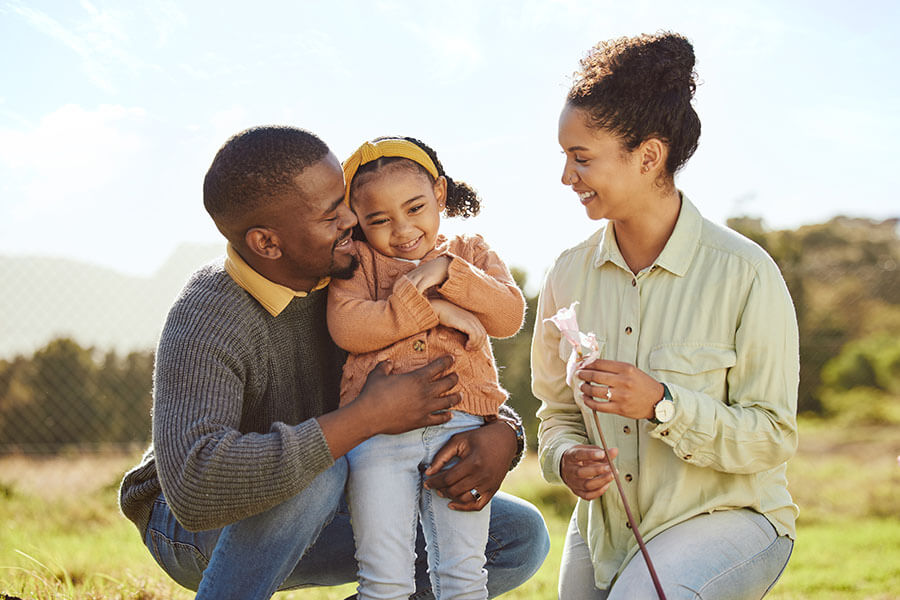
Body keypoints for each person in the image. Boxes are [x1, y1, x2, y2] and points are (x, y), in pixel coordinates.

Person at [118, 125, 549, 600]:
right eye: (331, 215)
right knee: (322, 471)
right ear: (267, 243)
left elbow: (443, 356)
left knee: (517, 535)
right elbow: (196, 489)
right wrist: (366, 418)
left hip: (332, 494)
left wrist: (502, 433)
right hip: (192, 529)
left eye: (345, 201)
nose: (353, 219)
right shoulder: (211, 311)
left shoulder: (353, 270)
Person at [531, 33, 799, 599]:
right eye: (564, 157)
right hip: (607, 530)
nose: (566, 177)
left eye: (581, 158)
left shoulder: (746, 273)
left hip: (731, 516)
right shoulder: (566, 274)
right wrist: (565, 458)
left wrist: (663, 404)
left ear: (648, 156)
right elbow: (556, 411)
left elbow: (772, 436)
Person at [327, 136, 526, 600]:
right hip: (379, 438)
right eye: (379, 220)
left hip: (462, 432)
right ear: (358, 221)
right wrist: (433, 310)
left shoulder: (470, 253)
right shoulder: (357, 264)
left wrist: (445, 273)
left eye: (415, 207)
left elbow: (508, 315)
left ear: (439, 193)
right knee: (384, 579)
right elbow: (349, 328)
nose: (402, 229)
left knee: (463, 574)